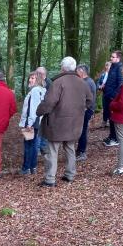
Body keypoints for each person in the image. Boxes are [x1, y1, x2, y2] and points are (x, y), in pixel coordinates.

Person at [35, 57, 93, 187]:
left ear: (62, 67)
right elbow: (90, 100)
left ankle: (50, 179)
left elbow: (49, 102)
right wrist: (80, 110)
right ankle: (70, 175)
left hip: (57, 123)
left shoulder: (58, 82)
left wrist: (39, 111)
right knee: (70, 148)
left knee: (53, 150)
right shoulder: (82, 82)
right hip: (75, 123)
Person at [19, 71, 46, 175]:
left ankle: (26, 168)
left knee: (29, 145)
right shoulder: (42, 90)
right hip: (38, 121)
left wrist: (29, 123)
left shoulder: (35, 90)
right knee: (34, 144)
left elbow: (34, 108)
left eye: (33, 78)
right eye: (30, 78)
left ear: (38, 80)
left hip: (32, 121)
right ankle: (32, 167)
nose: (30, 80)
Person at [102, 51, 123, 147]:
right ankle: (111, 136)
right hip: (108, 96)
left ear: (118, 58)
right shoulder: (112, 67)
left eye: (113, 57)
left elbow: (120, 83)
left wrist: (114, 96)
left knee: (113, 118)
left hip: (113, 98)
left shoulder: (119, 68)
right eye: (111, 56)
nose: (111, 58)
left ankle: (115, 138)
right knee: (110, 118)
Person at [75, 64, 97, 162]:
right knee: (81, 130)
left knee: (83, 131)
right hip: (85, 109)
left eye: (77, 71)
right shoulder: (85, 81)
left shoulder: (87, 82)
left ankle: (82, 152)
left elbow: (89, 99)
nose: (76, 73)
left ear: (81, 71)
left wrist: (85, 108)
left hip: (86, 110)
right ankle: (79, 150)